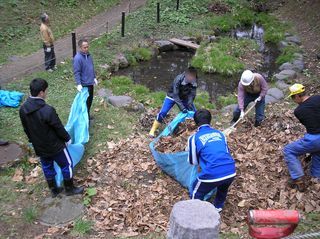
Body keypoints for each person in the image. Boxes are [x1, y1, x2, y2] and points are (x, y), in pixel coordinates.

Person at [19, 78, 84, 197]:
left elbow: (26, 128)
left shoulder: (23, 109)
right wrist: (67, 139)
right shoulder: (47, 110)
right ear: (41, 93)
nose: (46, 93)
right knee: (67, 164)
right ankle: (69, 188)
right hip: (55, 146)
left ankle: (54, 189)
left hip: (39, 146)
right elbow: (58, 127)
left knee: (47, 165)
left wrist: (32, 141)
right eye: (46, 91)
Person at [187, 109, 236, 212]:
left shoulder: (194, 138)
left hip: (212, 173)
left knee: (196, 191)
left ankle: (195, 212)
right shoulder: (220, 134)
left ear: (195, 122)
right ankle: (218, 207)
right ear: (210, 120)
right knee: (223, 188)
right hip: (231, 171)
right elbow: (226, 151)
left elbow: (193, 162)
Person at [283, 84, 320, 192]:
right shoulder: (318, 98)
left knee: (288, 150)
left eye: (293, 97)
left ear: (298, 96)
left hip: (315, 138)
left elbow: (309, 123)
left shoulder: (298, 111)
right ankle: (316, 179)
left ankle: (298, 179)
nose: (293, 100)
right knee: (317, 154)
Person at [149, 67, 198, 137]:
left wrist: (189, 102)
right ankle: (153, 130)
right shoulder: (178, 79)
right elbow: (175, 95)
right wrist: (182, 107)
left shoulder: (194, 81)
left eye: (193, 77)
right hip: (172, 96)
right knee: (163, 112)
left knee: (195, 113)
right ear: (186, 75)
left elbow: (192, 94)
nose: (192, 78)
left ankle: (193, 130)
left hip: (184, 97)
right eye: (190, 76)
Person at [73, 39, 98, 119]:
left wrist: (94, 77)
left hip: (90, 83)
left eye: (87, 47)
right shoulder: (78, 58)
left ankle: (87, 114)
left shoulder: (89, 55)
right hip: (84, 85)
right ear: (80, 48)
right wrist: (79, 84)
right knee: (85, 103)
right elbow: (77, 72)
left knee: (90, 101)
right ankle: (84, 119)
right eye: (84, 47)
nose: (86, 49)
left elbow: (91, 67)